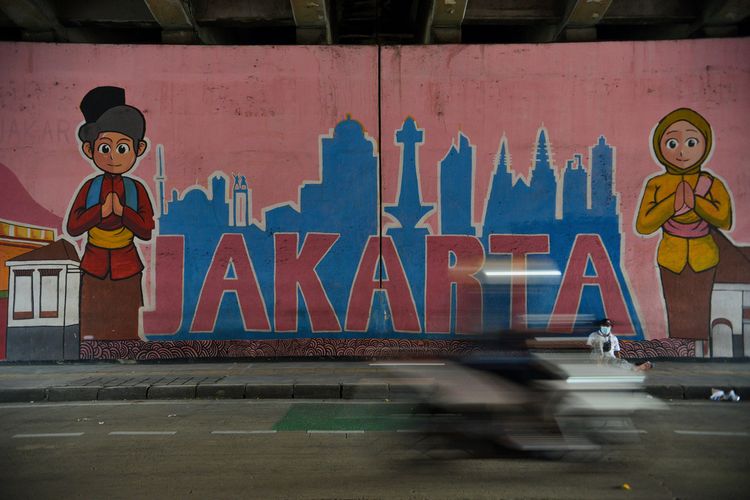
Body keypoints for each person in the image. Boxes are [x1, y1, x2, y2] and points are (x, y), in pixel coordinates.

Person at [66, 86, 155, 340]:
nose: (114, 156)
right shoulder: (90, 187)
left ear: (138, 150)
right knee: (91, 325)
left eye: (123, 148)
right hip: (93, 267)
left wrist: (123, 212)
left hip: (127, 267)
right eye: (105, 148)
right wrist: (100, 211)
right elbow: (73, 227)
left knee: (128, 324)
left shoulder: (136, 189)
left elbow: (146, 230)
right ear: (89, 150)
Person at [635, 108, 732, 341]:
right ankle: (679, 347)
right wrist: (671, 203)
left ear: (704, 145)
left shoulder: (711, 182)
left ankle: (702, 349)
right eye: (671, 143)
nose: (681, 152)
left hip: (704, 255)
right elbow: (644, 225)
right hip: (671, 257)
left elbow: (724, 219)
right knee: (674, 310)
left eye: (691, 142)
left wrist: (696, 202)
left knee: (702, 307)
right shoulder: (656, 184)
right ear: (660, 146)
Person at [587, 319, 652, 371]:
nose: (606, 327)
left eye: (608, 326)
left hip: (609, 359)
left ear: (611, 327)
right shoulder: (593, 335)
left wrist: (618, 359)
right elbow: (589, 347)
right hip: (596, 359)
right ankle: (635, 367)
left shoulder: (614, 338)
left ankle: (636, 366)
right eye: (604, 326)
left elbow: (616, 351)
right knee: (599, 342)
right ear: (601, 326)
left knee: (620, 362)